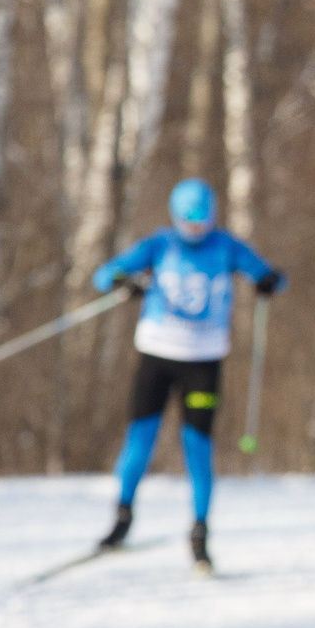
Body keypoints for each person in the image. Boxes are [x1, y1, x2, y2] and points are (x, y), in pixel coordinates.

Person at [90, 177, 284, 572]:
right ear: (175, 215)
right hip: (157, 354)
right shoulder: (160, 244)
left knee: (197, 446)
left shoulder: (226, 246)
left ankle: (200, 535)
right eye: (188, 218)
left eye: (202, 218)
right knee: (139, 441)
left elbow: (267, 274)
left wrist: (269, 280)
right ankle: (121, 520)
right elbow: (103, 275)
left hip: (204, 360)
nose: (196, 227)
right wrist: (124, 282)